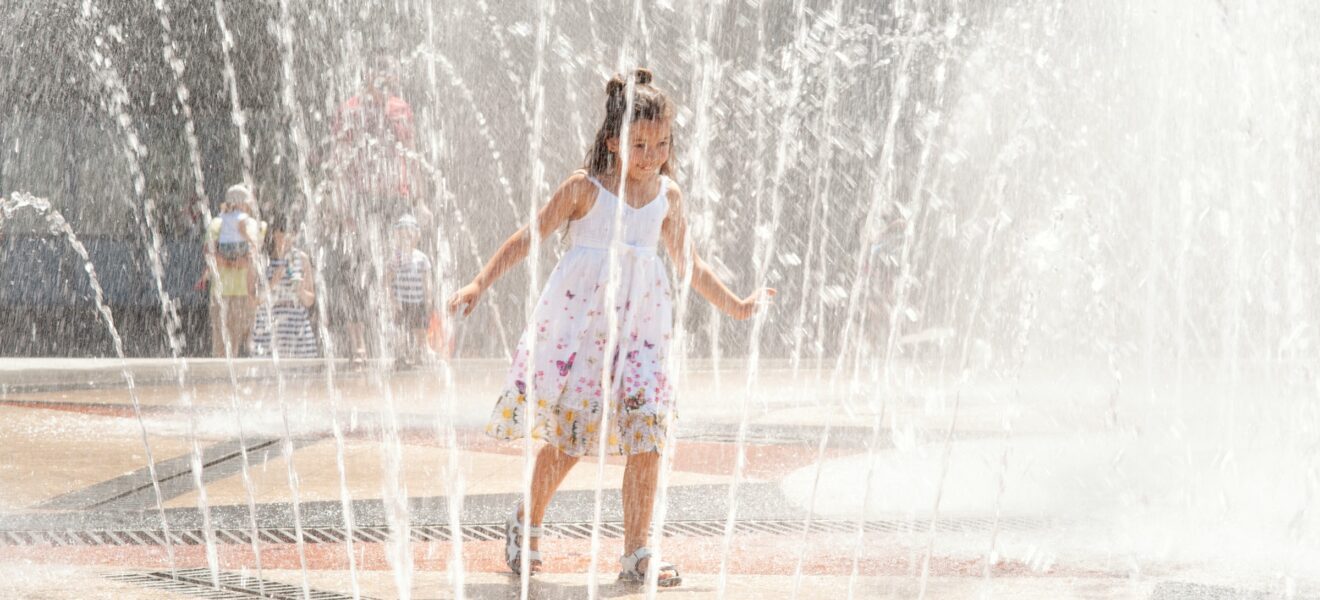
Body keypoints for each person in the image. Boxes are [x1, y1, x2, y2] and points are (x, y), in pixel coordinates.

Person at [448, 69, 775, 587]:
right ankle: (525, 523)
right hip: (584, 335)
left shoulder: (669, 198)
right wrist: (477, 284)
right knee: (571, 441)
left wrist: (737, 306)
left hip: (645, 336)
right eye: (639, 144)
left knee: (648, 437)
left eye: (662, 143)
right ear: (613, 142)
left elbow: (691, 264)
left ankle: (638, 551)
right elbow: (526, 237)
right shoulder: (585, 190)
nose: (651, 155)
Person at [325, 55, 428, 363]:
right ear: (367, 76)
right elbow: (338, 159)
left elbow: (412, 154)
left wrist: (420, 200)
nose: (385, 78)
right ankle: (359, 345)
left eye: (389, 73)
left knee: (401, 268)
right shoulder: (349, 110)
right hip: (360, 199)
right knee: (354, 270)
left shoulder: (400, 109)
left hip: (395, 199)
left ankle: (405, 344)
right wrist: (336, 204)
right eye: (379, 72)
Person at [206, 184, 263, 357]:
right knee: (243, 347)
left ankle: (223, 382)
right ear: (244, 204)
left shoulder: (216, 223)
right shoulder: (251, 224)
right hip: (245, 293)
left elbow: (210, 256)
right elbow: (253, 258)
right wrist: (238, 263)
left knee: (222, 348)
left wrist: (227, 263)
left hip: (220, 293)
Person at [250, 215, 318, 358]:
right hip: (269, 325)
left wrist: (301, 290)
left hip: (296, 327)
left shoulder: (301, 258)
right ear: (274, 234)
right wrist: (273, 281)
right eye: (282, 233)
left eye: (291, 234)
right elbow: (253, 300)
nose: (287, 238)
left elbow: (310, 300)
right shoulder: (262, 260)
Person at [385, 213, 433, 366]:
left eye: (409, 233)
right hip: (402, 302)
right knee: (401, 331)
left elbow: (427, 281)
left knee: (420, 329)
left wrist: (429, 299)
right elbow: (387, 281)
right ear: (397, 236)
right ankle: (402, 355)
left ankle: (421, 354)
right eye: (402, 233)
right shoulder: (395, 258)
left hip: (418, 301)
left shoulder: (422, 258)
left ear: (417, 236)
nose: (406, 237)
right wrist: (392, 301)